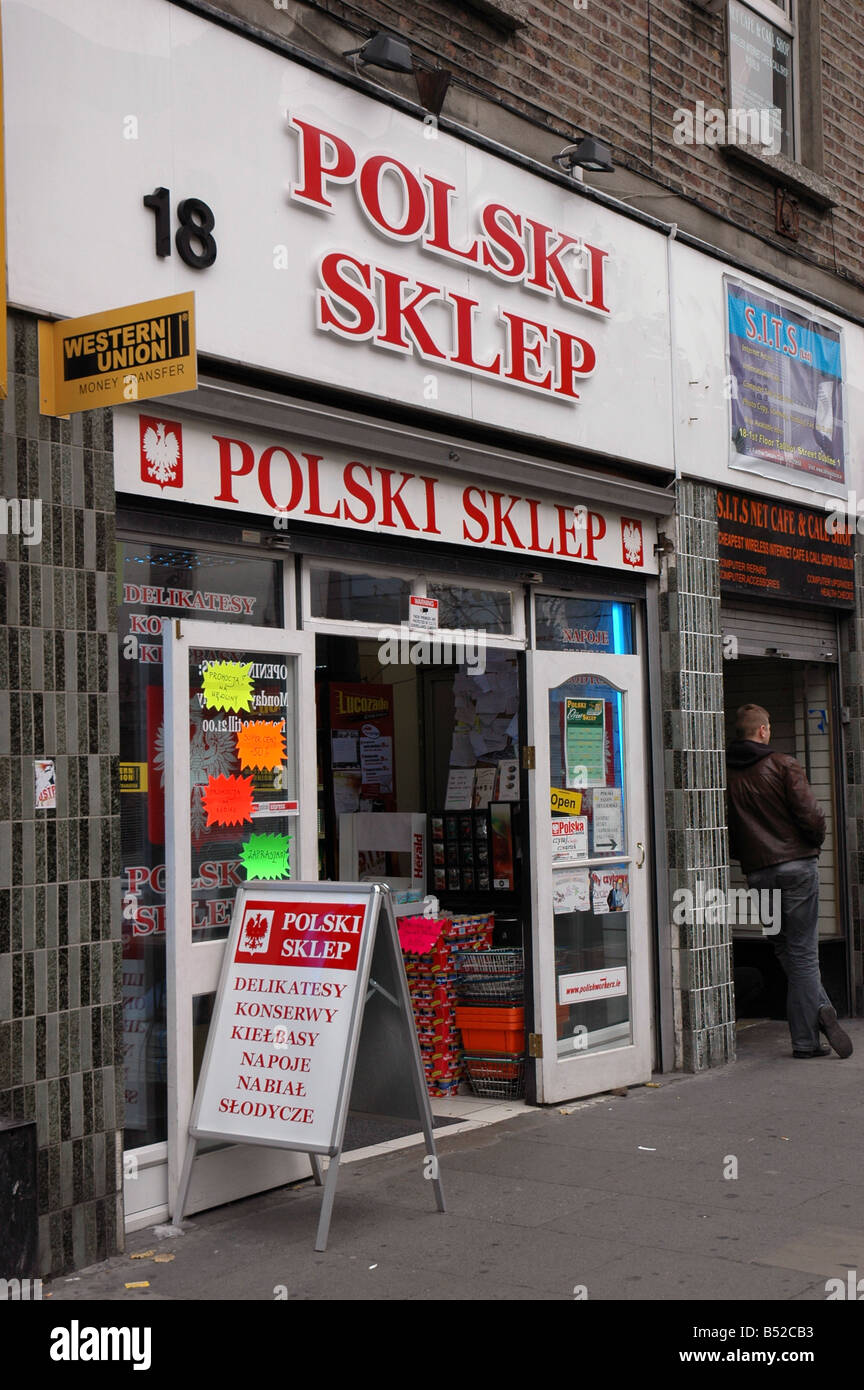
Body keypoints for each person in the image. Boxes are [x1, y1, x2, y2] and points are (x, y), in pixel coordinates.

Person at [726, 703, 852, 1060]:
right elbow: (811, 815)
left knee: (783, 948)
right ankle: (807, 1040)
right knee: (804, 954)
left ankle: (822, 1009)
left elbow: (730, 829)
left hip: (758, 871)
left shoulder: (727, 773)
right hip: (797, 868)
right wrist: (812, 845)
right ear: (763, 730)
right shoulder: (783, 764)